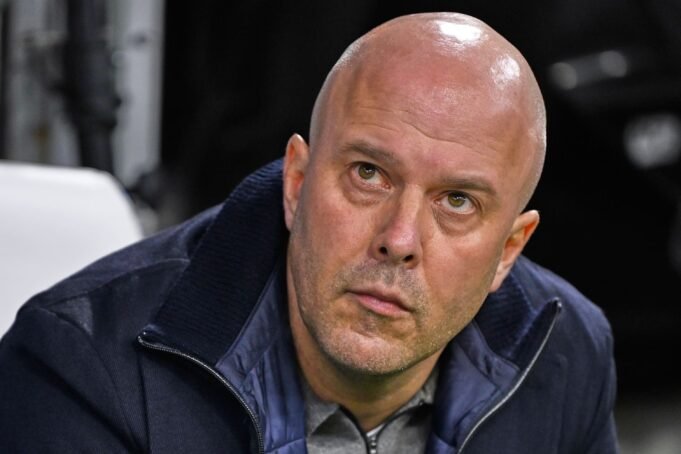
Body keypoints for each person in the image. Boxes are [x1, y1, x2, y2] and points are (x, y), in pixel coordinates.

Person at [0, 12, 619, 453]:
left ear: (509, 250)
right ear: (296, 182)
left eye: (457, 201)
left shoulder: (566, 354)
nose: (400, 239)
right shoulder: (81, 368)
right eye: (368, 173)